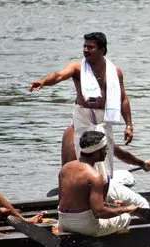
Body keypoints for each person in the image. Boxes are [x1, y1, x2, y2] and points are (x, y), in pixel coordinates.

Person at [28, 32, 134, 178]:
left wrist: (128, 125)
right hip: (83, 118)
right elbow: (58, 75)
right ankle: (82, 190)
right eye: (84, 46)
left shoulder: (115, 71)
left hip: (104, 119)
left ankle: (101, 192)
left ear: (102, 50)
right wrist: (43, 81)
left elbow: (122, 99)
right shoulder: (77, 67)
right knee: (84, 158)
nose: (85, 50)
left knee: (106, 164)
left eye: (90, 47)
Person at [58, 131, 141, 237]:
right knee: (126, 217)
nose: (106, 152)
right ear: (97, 152)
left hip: (63, 222)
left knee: (115, 210)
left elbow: (73, 201)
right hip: (86, 227)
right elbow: (99, 213)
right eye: (105, 149)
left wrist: (112, 205)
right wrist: (127, 209)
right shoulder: (95, 176)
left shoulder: (65, 168)